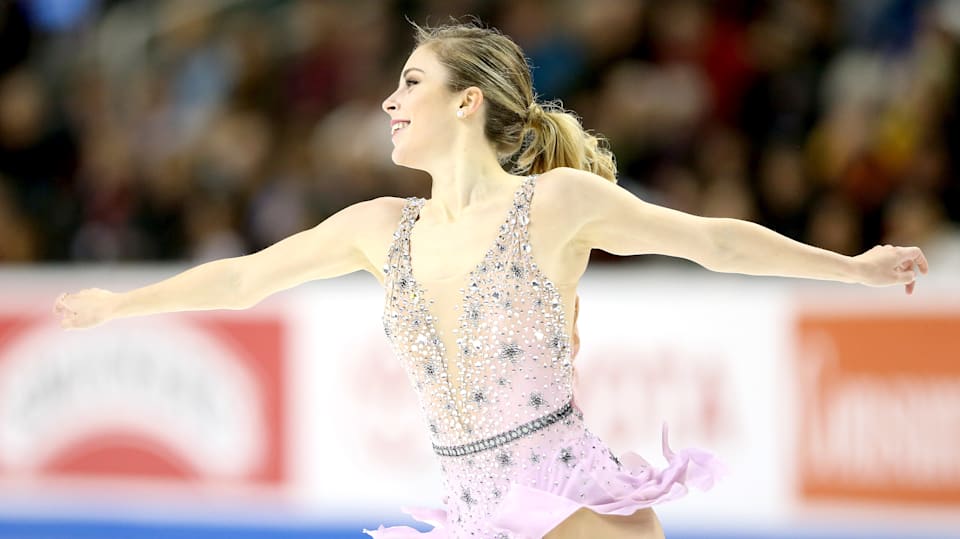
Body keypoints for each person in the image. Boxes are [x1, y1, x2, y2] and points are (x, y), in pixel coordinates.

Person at [54, 21, 928, 539]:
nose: (390, 101)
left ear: (467, 102)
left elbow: (709, 242)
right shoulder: (379, 229)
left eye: (411, 82)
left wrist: (846, 268)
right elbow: (247, 279)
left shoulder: (554, 204)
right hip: (470, 518)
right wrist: (122, 303)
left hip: (574, 513)